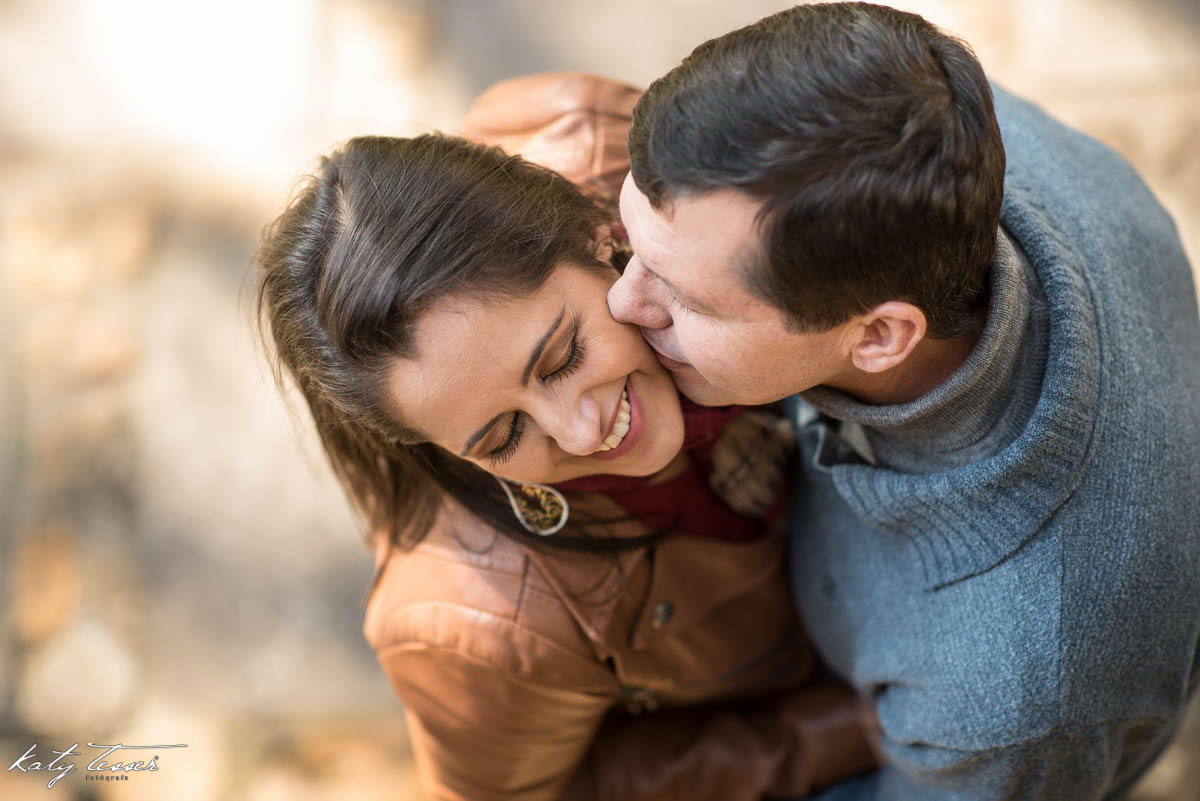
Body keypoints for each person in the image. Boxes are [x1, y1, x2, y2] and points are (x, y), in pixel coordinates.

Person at [578, 3, 1198, 800]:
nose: (623, 304)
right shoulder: (920, 112)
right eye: (630, 242)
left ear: (877, 338)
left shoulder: (1014, 687)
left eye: (687, 299)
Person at [253, 128, 880, 800]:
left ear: (597, 233)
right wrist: (838, 732)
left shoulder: (621, 150)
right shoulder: (472, 629)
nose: (581, 432)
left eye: (562, 356)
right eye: (501, 436)